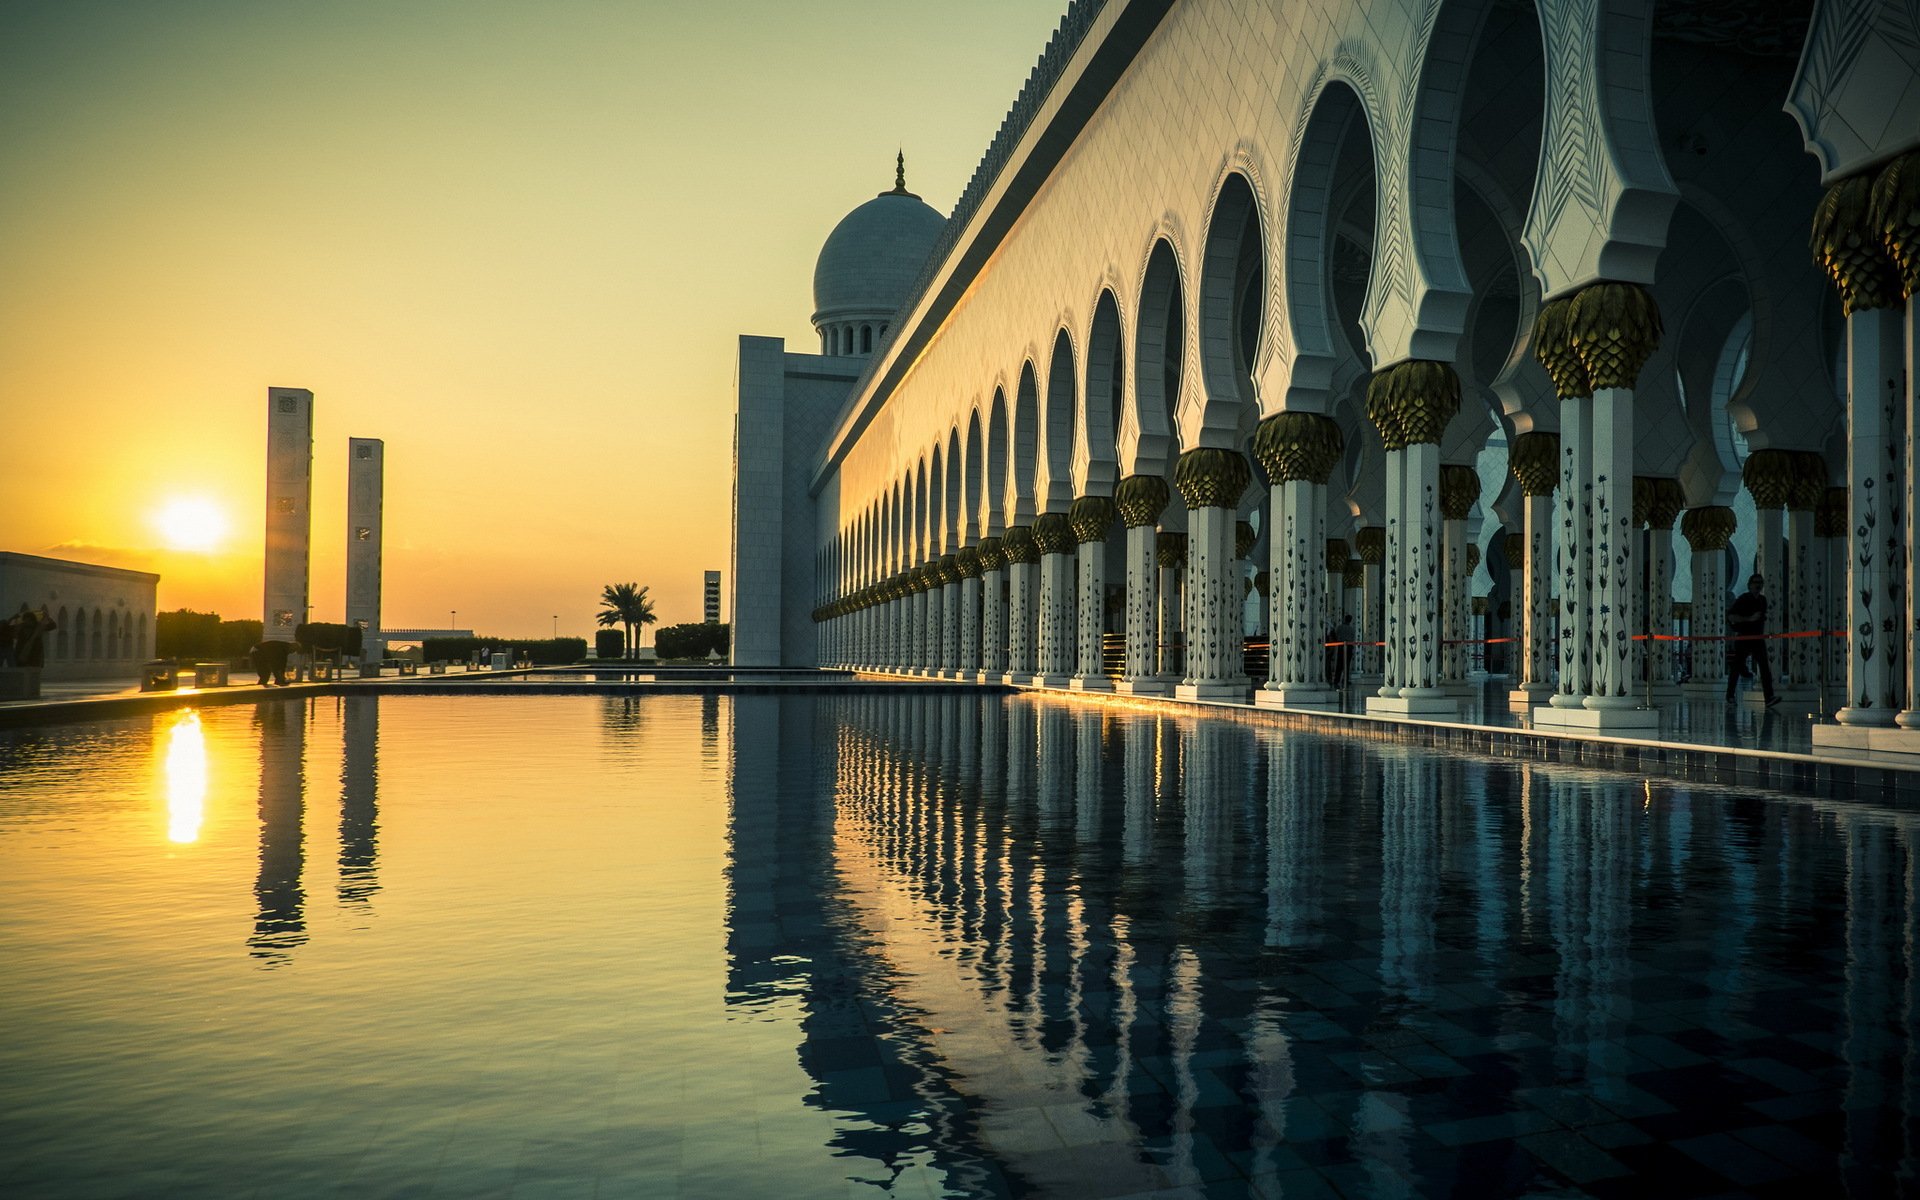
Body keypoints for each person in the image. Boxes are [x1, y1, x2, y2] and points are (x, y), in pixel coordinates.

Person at [1726, 574, 1777, 706]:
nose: (1758, 585)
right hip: (1744, 637)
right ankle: (1730, 695)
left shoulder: (1762, 600)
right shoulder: (1743, 599)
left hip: (1758, 639)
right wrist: (1749, 619)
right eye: (1755, 582)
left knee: (1765, 668)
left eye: (1760, 582)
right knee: (1737, 667)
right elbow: (1731, 616)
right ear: (1750, 585)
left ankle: (1769, 697)